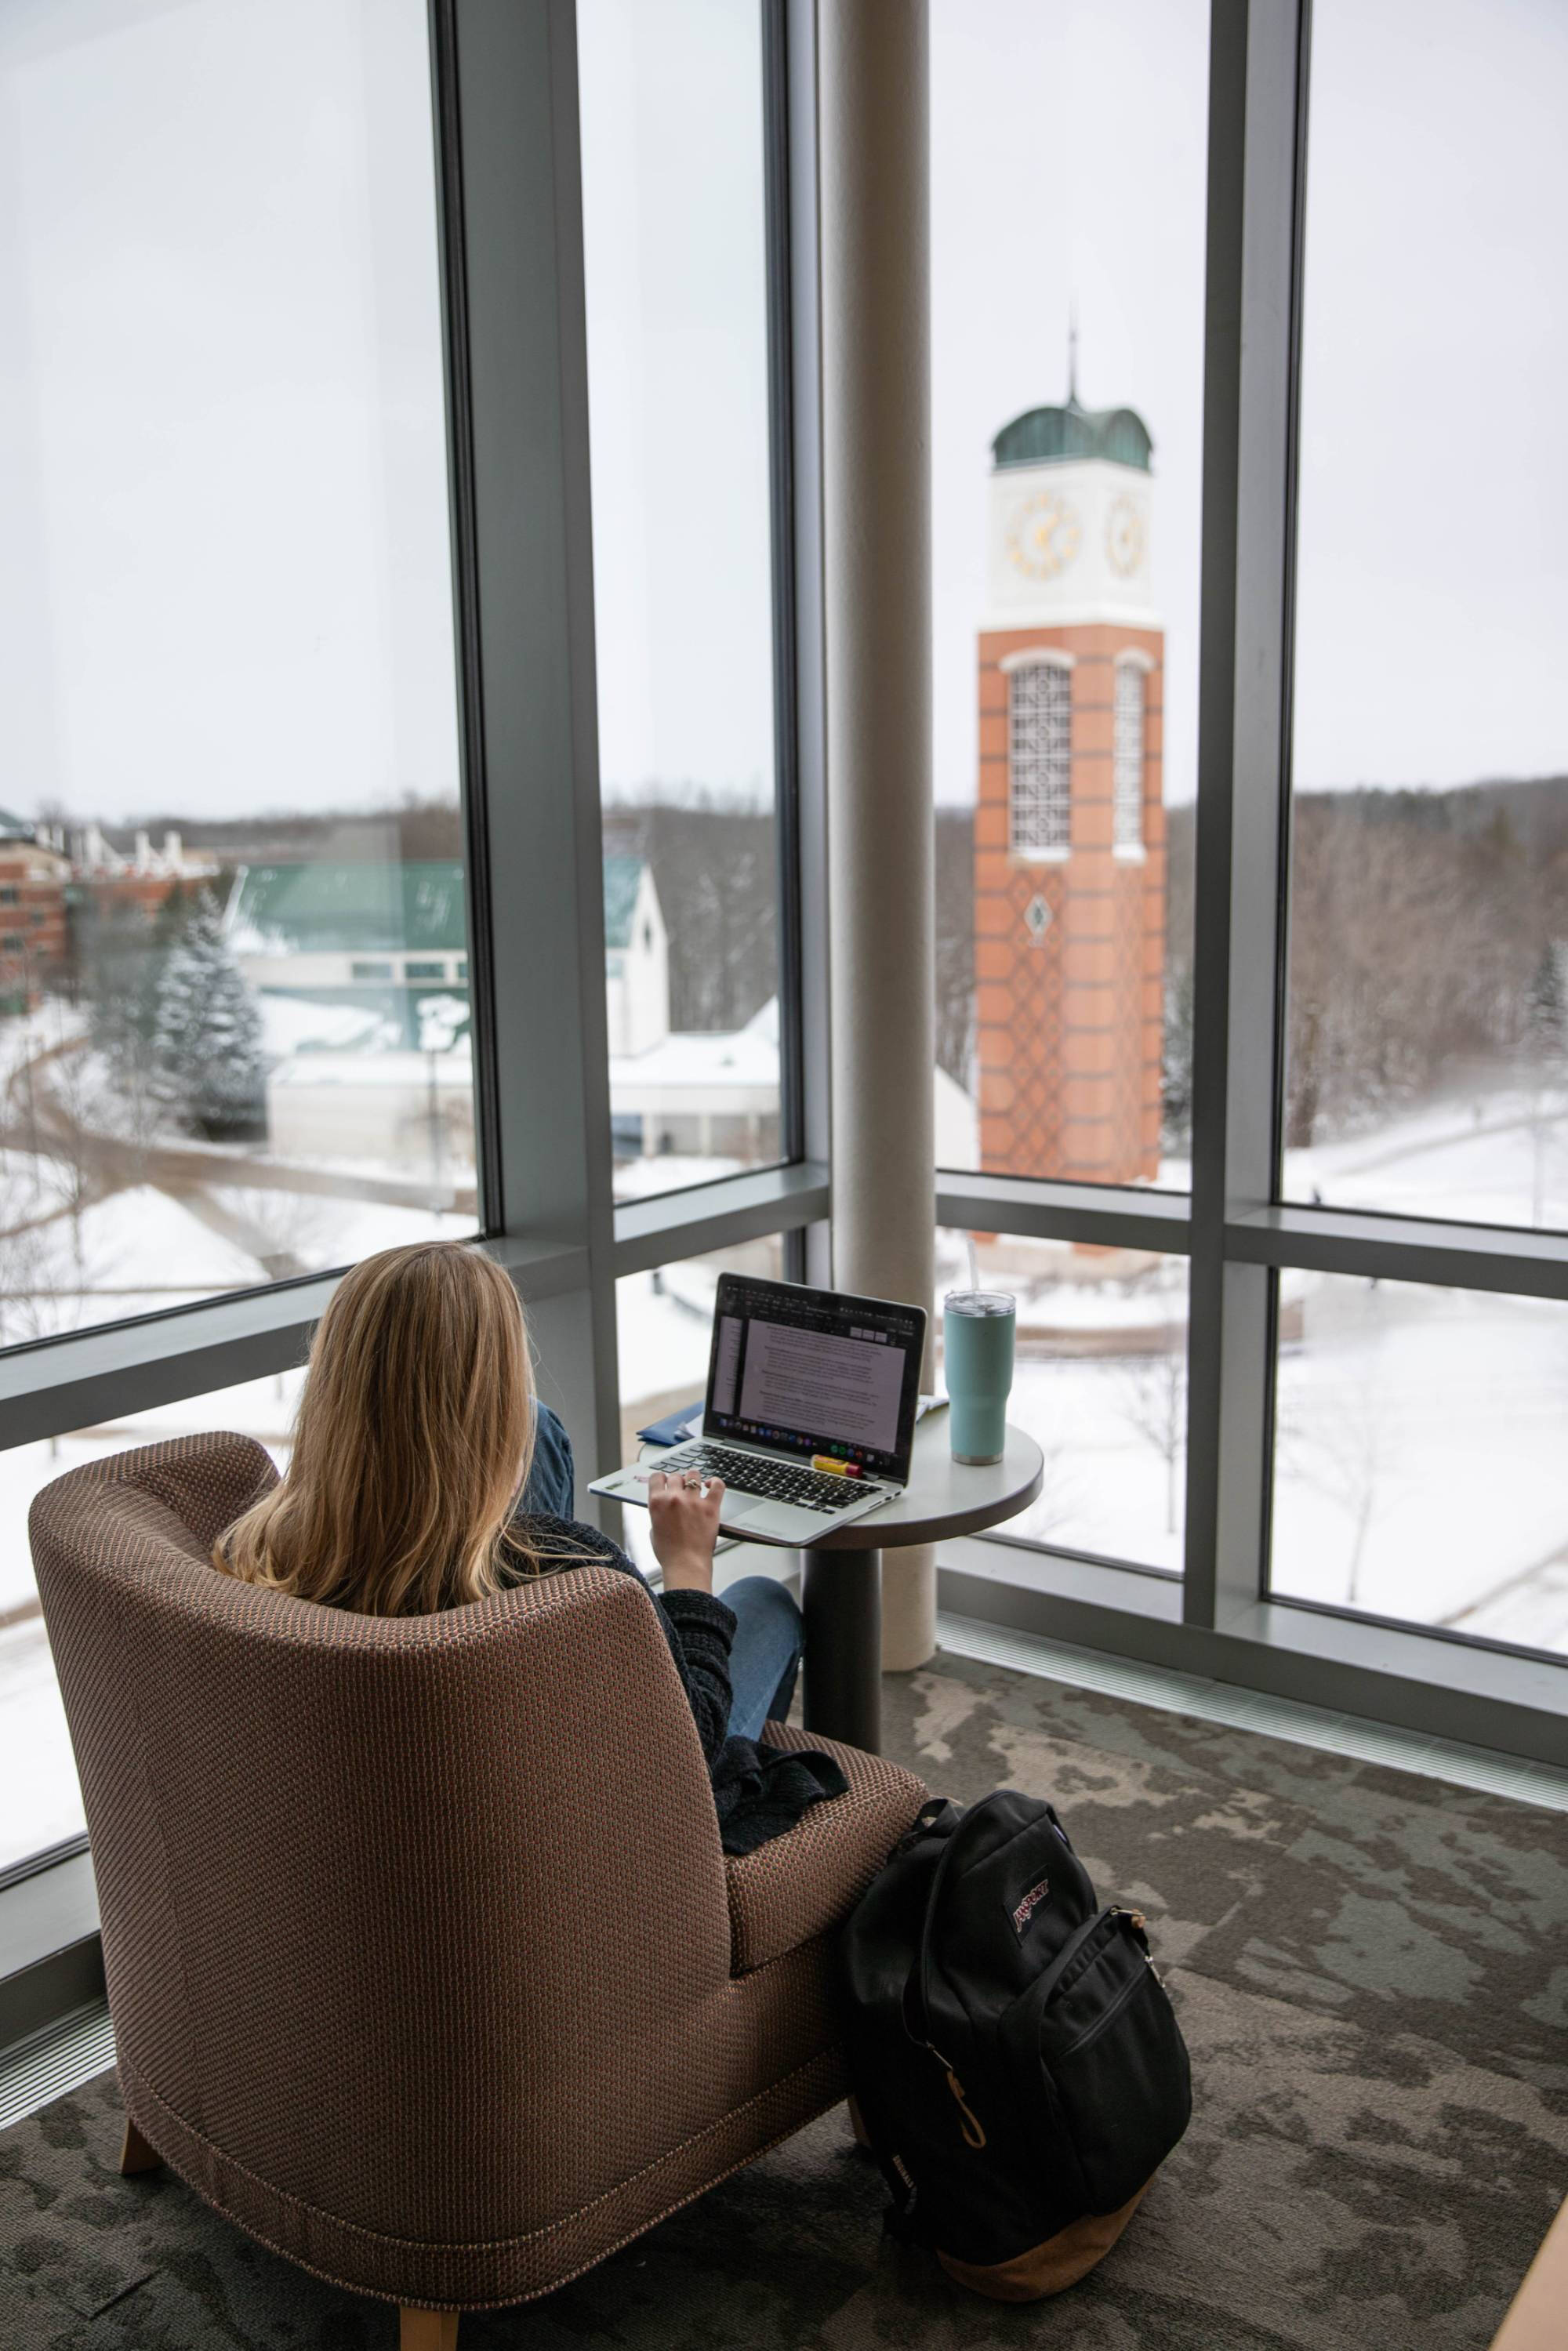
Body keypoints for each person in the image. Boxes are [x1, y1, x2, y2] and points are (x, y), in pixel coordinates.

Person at [212, 1241, 845, 1852]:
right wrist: (687, 1562)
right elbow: (693, 1743)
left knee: (537, 1421)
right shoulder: (580, 1575)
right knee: (763, 1602)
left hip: (421, 1732)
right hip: (618, 1796)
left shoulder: (257, 1542)